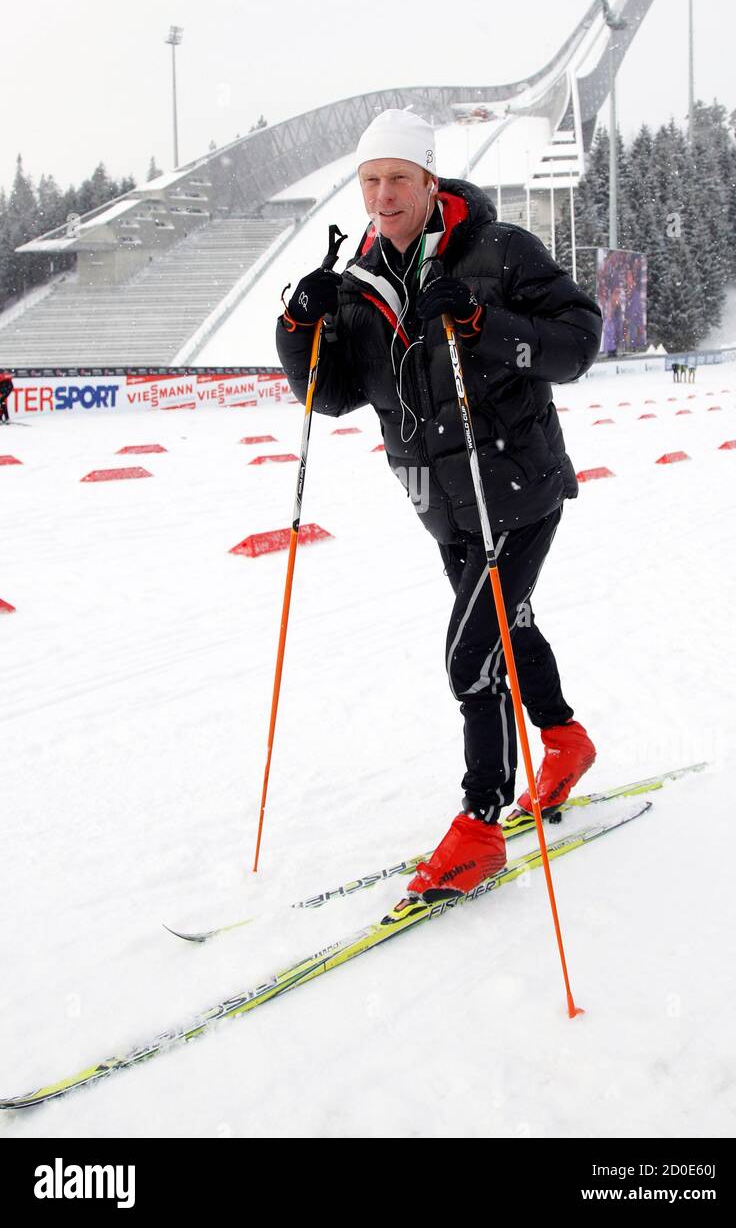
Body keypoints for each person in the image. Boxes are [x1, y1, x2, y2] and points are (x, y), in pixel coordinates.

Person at [276, 109, 602, 902]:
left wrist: (483, 323)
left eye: (398, 179)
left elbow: (579, 342)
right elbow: (332, 395)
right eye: (369, 181)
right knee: (506, 627)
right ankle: (563, 743)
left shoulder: (499, 252)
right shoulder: (361, 282)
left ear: (430, 182)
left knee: (469, 654)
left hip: (517, 492)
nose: (383, 195)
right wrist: (301, 325)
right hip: (442, 503)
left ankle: (479, 826)